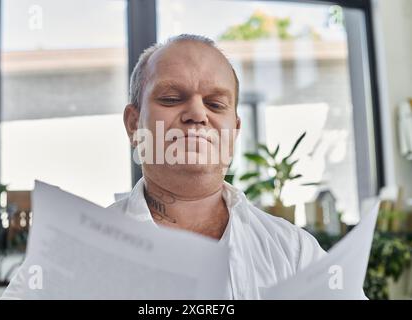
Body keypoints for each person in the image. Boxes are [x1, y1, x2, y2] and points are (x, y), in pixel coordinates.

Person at [117, 34, 327, 299]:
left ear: (235, 131)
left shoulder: (295, 254)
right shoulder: (85, 251)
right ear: (134, 124)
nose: (197, 114)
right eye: (171, 98)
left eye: (215, 104)